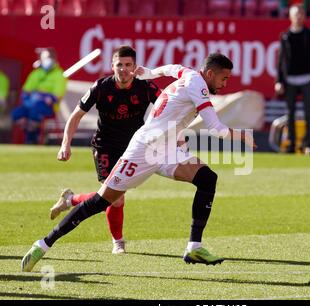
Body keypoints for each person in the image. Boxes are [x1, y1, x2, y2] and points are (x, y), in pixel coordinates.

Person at [21, 53, 256, 272]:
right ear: (210, 73)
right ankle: (43, 244)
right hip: (144, 149)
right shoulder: (198, 85)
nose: (225, 84)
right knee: (101, 202)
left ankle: (194, 247)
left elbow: (172, 68)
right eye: (224, 78)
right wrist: (243, 135)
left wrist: (150, 72)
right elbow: (216, 128)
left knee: (207, 179)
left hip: (167, 148)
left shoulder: (188, 73)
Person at [49, 45, 161, 254]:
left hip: (133, 148)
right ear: (112, 66)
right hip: (105, 146)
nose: (124, 69)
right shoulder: (101, 87)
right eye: (119, 65)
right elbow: (75, 116)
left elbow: (168, 108)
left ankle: (71, 199)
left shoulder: (145, 87)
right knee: (116, 197)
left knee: (110, 196)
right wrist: (65, 144)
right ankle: (117, 241)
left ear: (135, 67)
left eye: (128, 65)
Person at [275, 3, 310, 154]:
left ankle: (308, 144)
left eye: (301, 14)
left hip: (307, 79)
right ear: (290, 16)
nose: (298, 17)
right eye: (295, 14)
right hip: (290, 79)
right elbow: (281, 61)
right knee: (290, 113)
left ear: (304, 16)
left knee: (308, 113)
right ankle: (291, 143)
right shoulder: (285, 36)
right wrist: (279, 81)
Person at [11, 48, 67, 144]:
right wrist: (31, 98)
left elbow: (56, 96)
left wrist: (42, 96)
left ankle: (32, 139)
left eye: (49, 57)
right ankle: (31, 133)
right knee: (17, 113)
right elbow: (26, 91)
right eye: (44, 58)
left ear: (54, 58)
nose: (47, 60)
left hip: (48, 107)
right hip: (31, 104)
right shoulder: (36, 73)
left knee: (35, 112)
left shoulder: (59, 75)